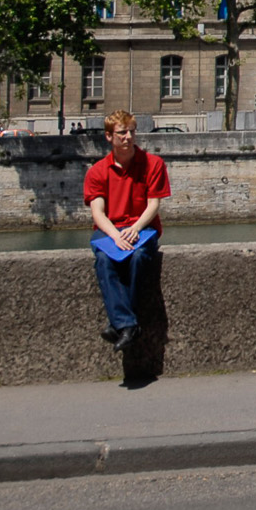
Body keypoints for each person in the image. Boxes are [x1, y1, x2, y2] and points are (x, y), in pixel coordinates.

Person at [83, 109, 170, 351]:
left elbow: (154, 204)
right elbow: (98, 213)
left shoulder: (153, 164)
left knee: (140, 257)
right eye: (122, 133)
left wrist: (136, 228)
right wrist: (115, 235)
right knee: (104, 260)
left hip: (142, 226)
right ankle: (129, 324)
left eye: (131, 132)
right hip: (111, 228)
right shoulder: (98, 171)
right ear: (109, 137)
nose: (128, 137)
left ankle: (120, 324)